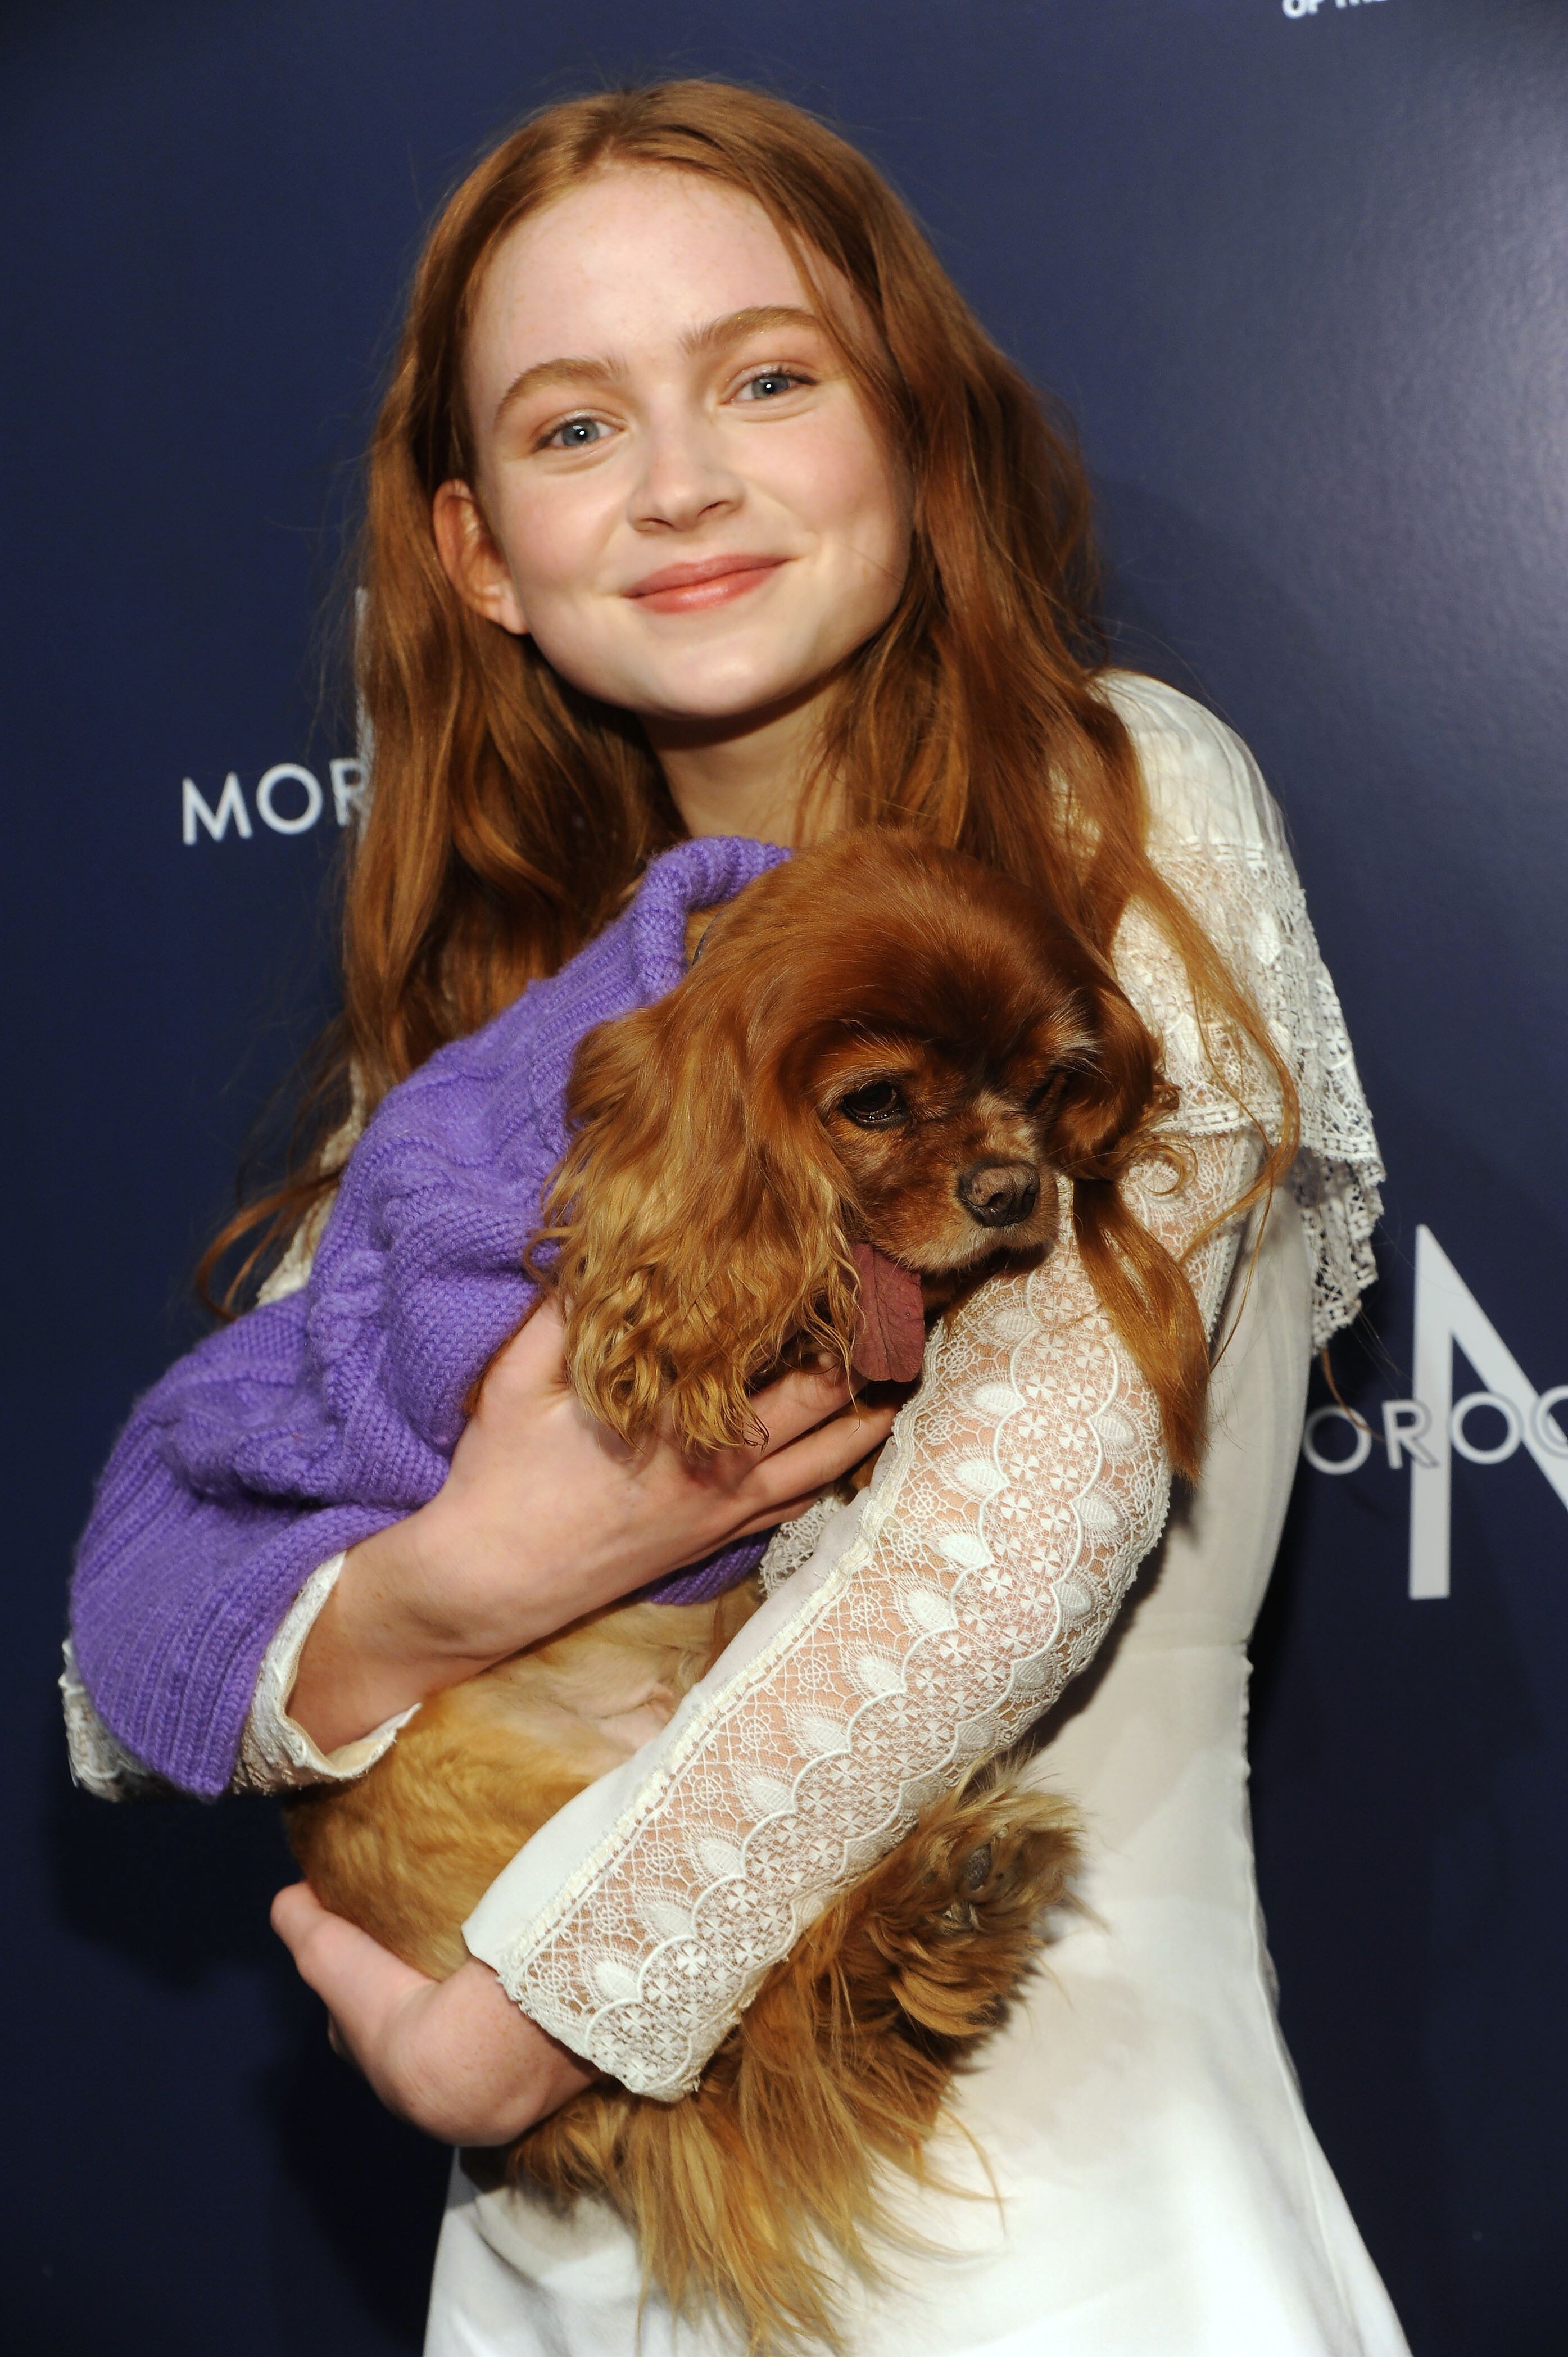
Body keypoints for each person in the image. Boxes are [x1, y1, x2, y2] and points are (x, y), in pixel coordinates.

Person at [64, 82, 1408, 2356]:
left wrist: (514, 2024)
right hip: (552, 2269)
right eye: (576, 426)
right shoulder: (508, 1016)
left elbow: (986, 1556)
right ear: (478, 552)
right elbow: (141, 1641)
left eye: (766, 379)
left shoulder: (1113, 814)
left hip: (1026, 2218)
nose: (679, 481)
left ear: (915, 424)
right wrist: (443, 1586)